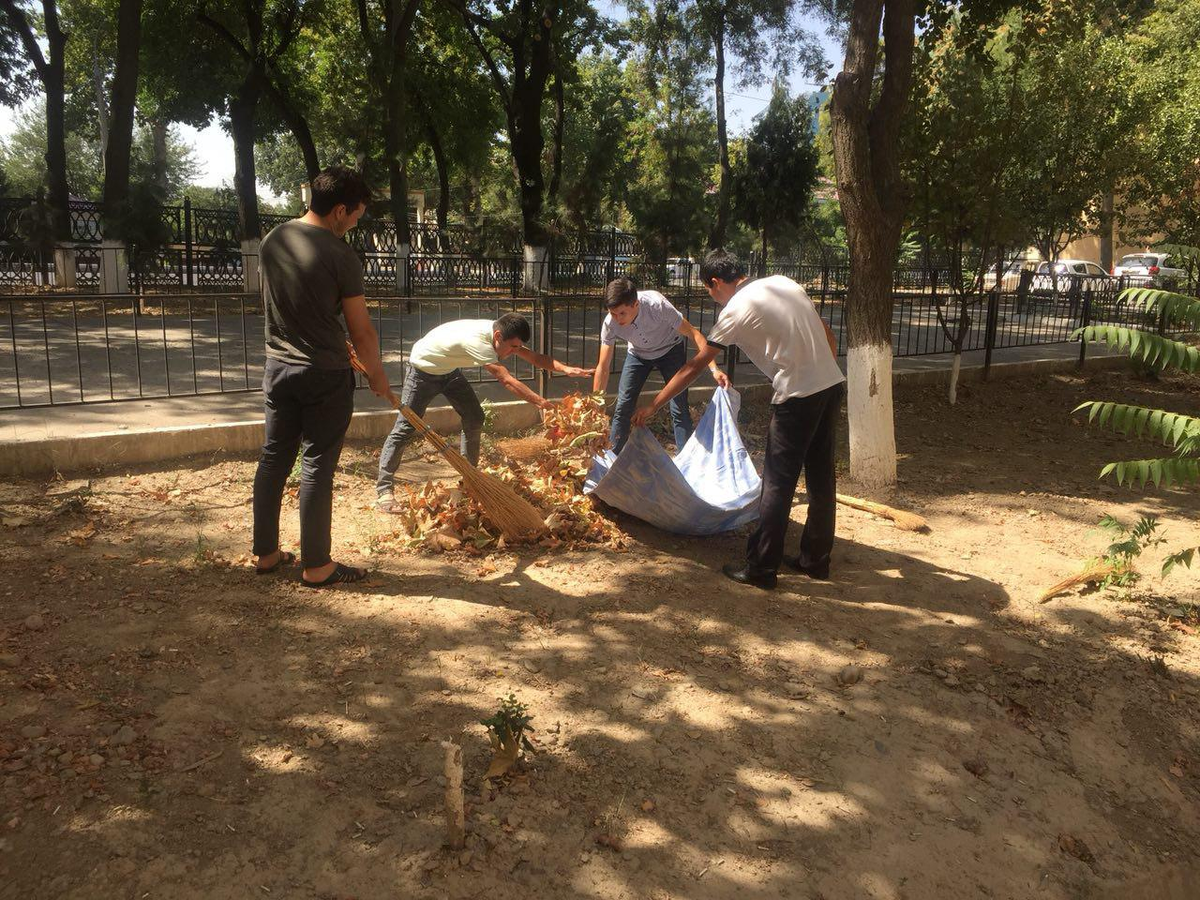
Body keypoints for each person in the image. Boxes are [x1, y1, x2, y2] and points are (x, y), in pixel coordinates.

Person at [632, 249, 844, 589]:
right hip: (830, 385)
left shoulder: (736, 310)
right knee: (821, 478)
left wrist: (654, 404)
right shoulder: (784, 283)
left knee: (777, 482)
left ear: (716, 283)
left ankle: (761, 568)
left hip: (797, 397)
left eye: (710, 293)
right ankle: (815, 560)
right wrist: (819, 372)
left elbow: (695, 366)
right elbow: (826, 333)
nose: (714, 300)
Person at [251, 166, 389, 588]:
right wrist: (378, 376)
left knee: (274, 458)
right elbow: (360, 329)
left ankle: (266, 553)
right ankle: (317, 565)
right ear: (340, 210)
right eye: (357, 214)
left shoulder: (273, 239)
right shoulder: (339, 254)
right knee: (316, 465)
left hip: (278, 369)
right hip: (324, 376)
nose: (356, 222)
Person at [375, 314, 592, 510]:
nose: (513, 352)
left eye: (518, 347)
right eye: (512, 347)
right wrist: (540, 402)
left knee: (474, 416)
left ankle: (470, 478)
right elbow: (506, 379)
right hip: (423, 371)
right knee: (405, 427)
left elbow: (534, 357)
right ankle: (384, 491)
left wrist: (566, 369)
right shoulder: (479, 343)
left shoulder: (500, 333)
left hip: (448, 372)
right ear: (498, 335)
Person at [594, 278, 728, 454]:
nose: (617, 319)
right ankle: (610, 459)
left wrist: (714, 369)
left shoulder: (657, 305)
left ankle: (685, 461)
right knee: (623, 406)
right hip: (638, 355)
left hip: (670, 350)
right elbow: (603, 367)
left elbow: (694, 334)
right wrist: (595, 405)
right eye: (613, 313)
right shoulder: (610, 323)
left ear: (635, 304)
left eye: (622, 313)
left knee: (678, 407)